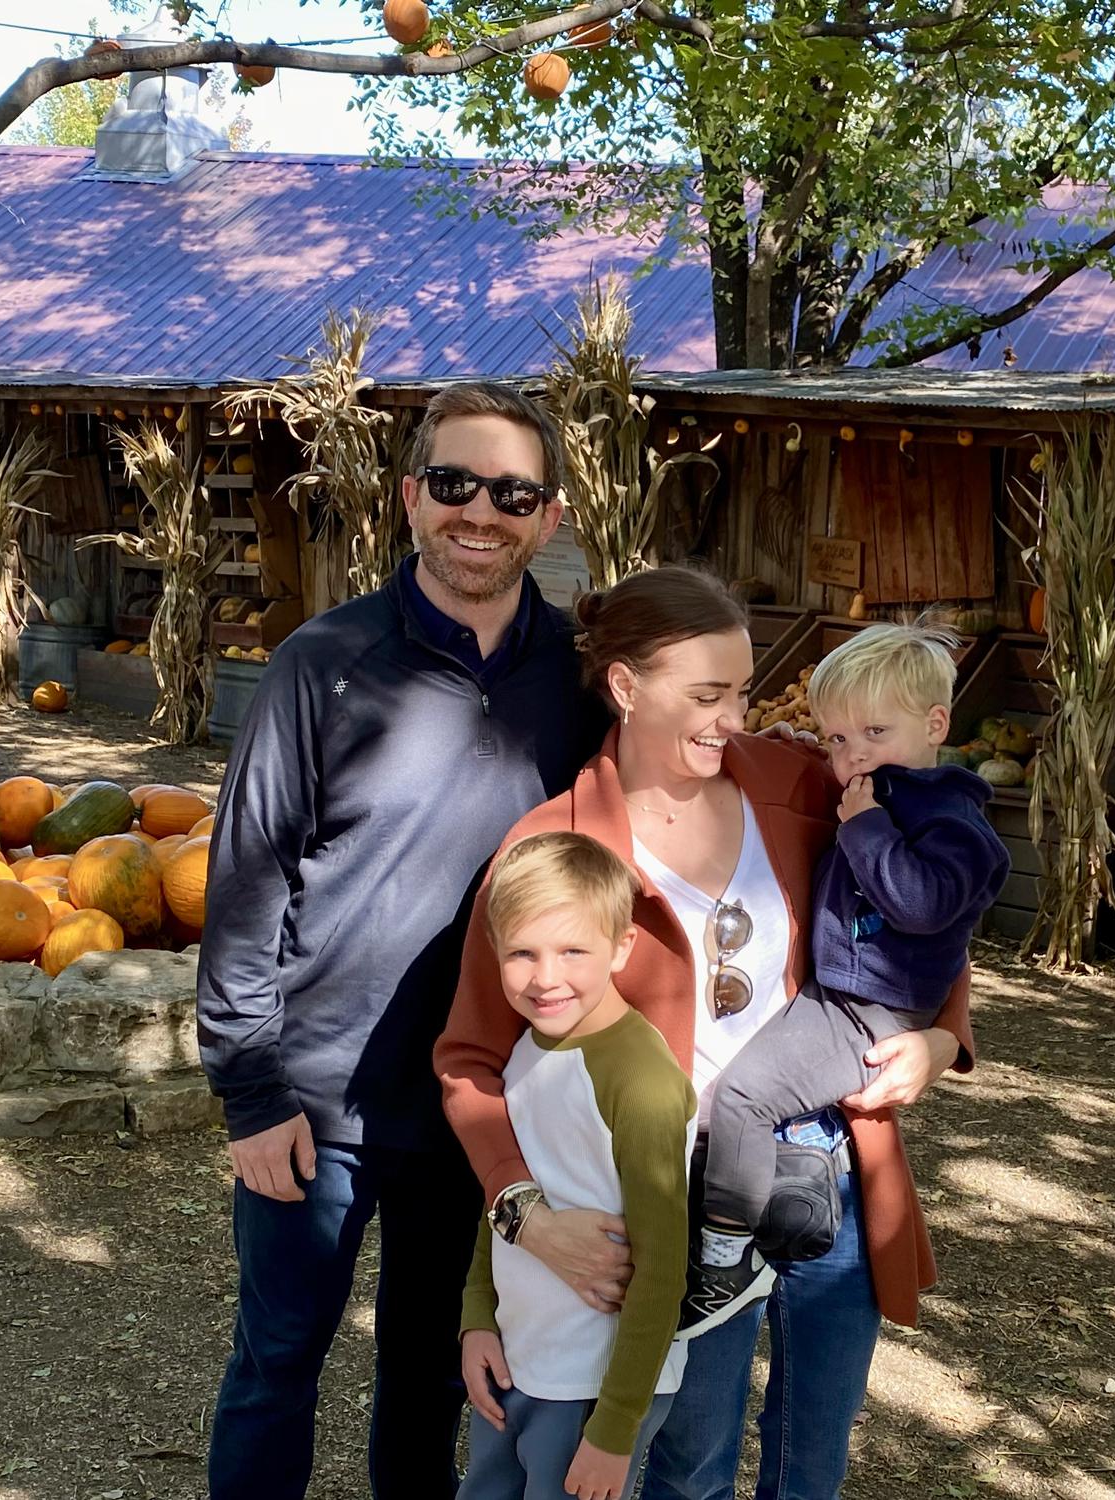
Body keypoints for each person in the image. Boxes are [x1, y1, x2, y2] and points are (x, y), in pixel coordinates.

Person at [436, 566, 977, 1500]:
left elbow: (927, 903)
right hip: (682, 1200)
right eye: (708, 694)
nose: (736, 719)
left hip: (834, 1162)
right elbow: (471, 1062)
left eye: (744, 691)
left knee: (815, 1454)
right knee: (691, 1465)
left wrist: (941, 1039)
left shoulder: (799, 782)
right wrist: (521, 1214)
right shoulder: (554, 846)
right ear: (625, 687)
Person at [196, 382, 612, 1500]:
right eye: (456, 484)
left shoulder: (579, 681)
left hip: (480, 1099)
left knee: (434, 1373)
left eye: (513, 492)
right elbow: (247, 879)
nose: (482, 512)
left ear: (551, 514)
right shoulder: (322, 662)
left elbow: (684, 800)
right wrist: (249, 1088)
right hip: (317, 1103)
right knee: (278, 1362)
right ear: (410, 497)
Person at [683, 622, 1010, 1330]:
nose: (852, 753)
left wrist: (865, 828)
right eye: (836, 739)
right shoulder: (882, 789)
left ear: (936, 724)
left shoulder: (951, 821)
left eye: (873, 732)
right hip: (847, 995)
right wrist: (810, 760)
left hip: (872, 1009)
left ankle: (723, 1251)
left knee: (741, 1096)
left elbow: (923, 907)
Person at [456, 831, 697, 1500]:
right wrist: (479, 1314)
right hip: (518, 1357)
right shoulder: (529, 1045)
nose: (545, 977)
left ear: (621, 947)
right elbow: (505, 1187)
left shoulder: (640, 1082)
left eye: (572, 951)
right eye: (522, 953)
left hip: (590, 1389)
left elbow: (662, 1270)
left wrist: (616, 1428)